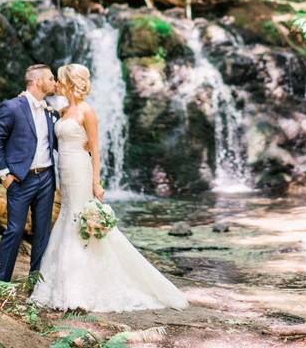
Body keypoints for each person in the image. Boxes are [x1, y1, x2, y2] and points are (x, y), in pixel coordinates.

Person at [31, 63, 188, 312]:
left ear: (70, 83)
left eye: (60, 80)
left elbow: (95, 149)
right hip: (65, 172)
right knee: (67, 217)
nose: (57, 84)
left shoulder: (87, 111)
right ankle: (61, 284)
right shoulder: (61, 111)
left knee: (80, 219)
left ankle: (79, 289)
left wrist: (97, 182)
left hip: (81, 170)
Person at [0, 63, 57, 282]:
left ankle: (35, 284)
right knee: (14, 230)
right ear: (37, 81)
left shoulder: (50, 110)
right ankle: (0, 282)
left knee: (42, 234)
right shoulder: (11, 107)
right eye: (50, 78)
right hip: (20, 179)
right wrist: (4, 175)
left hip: (46, 178)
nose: (54, 82)